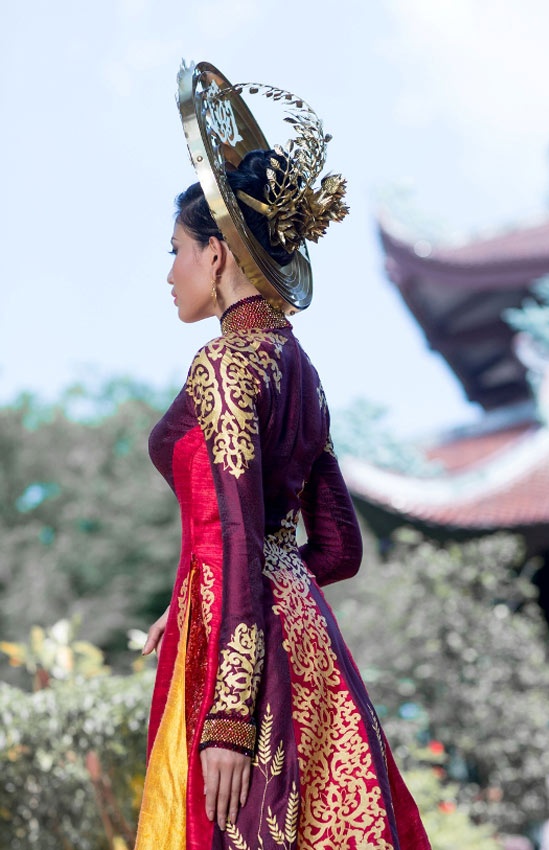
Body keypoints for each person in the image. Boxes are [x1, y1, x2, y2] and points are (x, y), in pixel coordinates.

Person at [134, 62, 430, 850]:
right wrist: (245, 583)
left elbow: (235, 536)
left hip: (241, 661)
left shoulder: (224, 365)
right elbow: (337, 548)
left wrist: (229, 718)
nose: (169, 272)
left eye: (176, 249)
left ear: (217, 256)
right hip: (302, 638)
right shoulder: (301, 371)